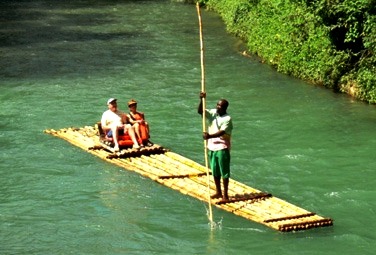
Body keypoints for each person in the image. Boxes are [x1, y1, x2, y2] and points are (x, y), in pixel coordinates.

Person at [198, 92, 233, 202]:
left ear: (225, 108)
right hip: (211, 147)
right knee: (215, 171)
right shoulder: (213, 113)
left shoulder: (227, 118)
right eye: (217, 105)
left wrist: (209, 136)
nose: (218, 107)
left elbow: (222, 132)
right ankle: (218, 191)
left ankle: (225, 196)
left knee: (224, 172)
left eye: (220, 106)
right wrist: (201, 100)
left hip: (222, 147)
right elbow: (201, 111)